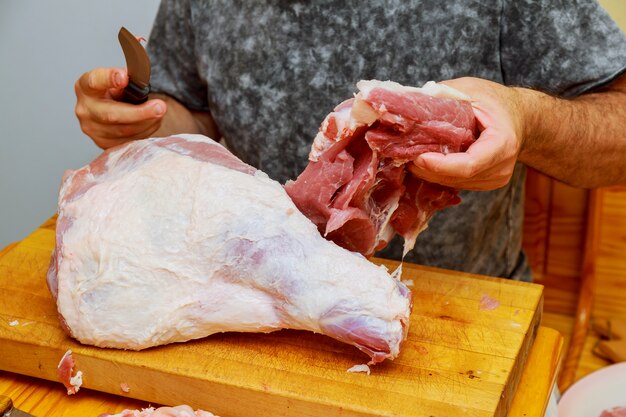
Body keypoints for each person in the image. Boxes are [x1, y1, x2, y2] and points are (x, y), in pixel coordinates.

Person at [74, 0, 626, 283]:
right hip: (262, 301)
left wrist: (526, 118)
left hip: (459, 320)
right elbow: (194, 120)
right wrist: (145, 123)